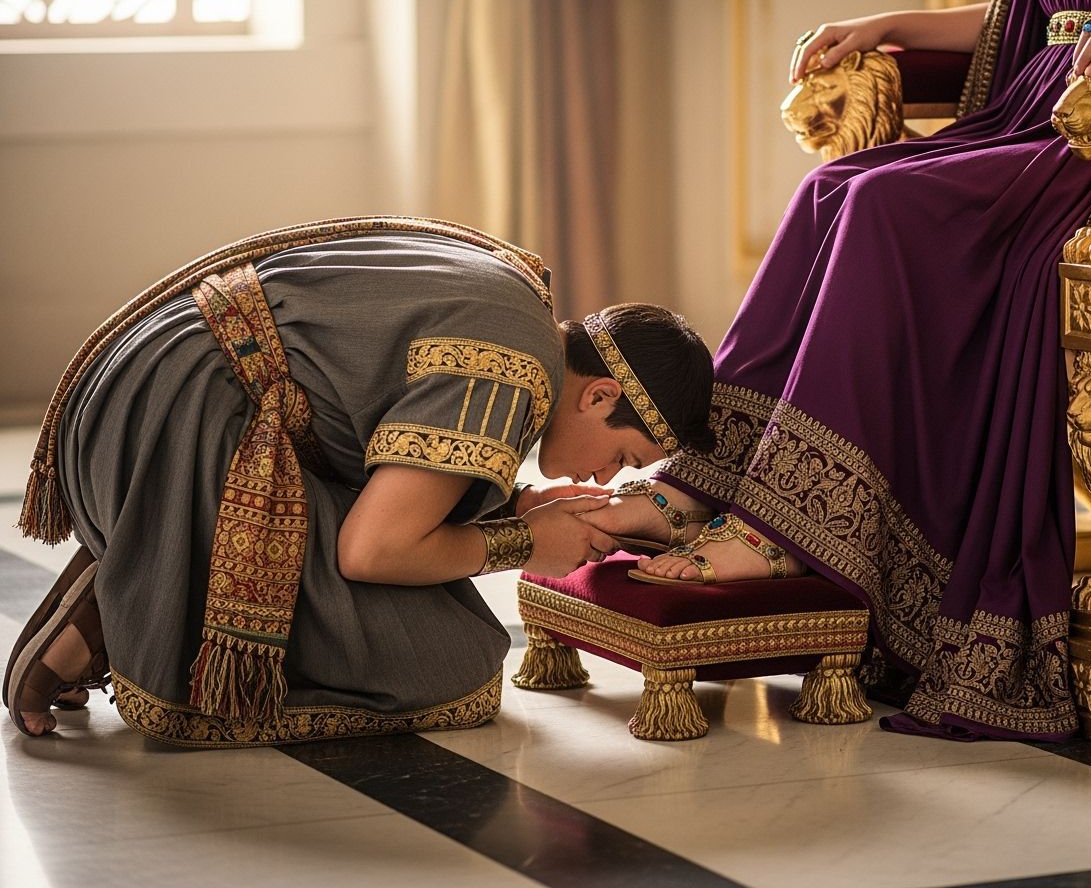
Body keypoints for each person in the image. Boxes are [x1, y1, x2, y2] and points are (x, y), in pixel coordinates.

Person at [581, 0, 1091, 740]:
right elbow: (1037, 9)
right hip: (1041, 105)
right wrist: (891, 26)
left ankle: (787, 528)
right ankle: (711, 481)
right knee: (832, 187)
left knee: (883, 204)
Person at [4, 219, 714, 745]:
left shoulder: (521, 296)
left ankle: (148, 556)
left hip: (136, 402)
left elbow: (363, 430)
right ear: (597, 398)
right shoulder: (511, 369)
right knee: (454, 670)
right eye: (624, 455)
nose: (607, 476)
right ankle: (115, 601)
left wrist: (519, 506)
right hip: (183, 436)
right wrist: (524, 543)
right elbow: (372, 552)